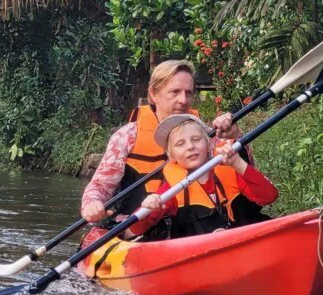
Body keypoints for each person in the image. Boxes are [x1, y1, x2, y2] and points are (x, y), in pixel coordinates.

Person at [81, 60, 246, 224]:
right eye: (174, 92)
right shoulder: (128, 136)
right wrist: (92, 203)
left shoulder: (205, 134)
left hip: (195, 227)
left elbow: (244, 171)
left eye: (188, 93)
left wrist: (234, 136)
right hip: (138, 229)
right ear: (154, 94)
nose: (183, 100)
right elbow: (100, 186)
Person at [125, 114, 278, 239]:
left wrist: (239, 164)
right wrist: (147, 208)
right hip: (200, 256)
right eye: (180, 144)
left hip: (245, 243)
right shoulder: (172, 189)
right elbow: (137, 228)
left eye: (196, 139)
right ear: (172, 156)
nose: (190, 146)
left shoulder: (230, 171)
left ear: (209, 144)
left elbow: (269, 196)